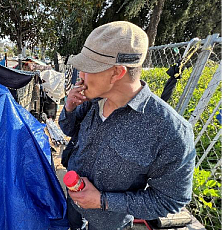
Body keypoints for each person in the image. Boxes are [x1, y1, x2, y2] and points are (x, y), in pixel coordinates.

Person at [58, 21, 196, 230]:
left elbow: (171, 200)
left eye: (87, 69)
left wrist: (102, 201)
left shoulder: (170, 132)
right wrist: (69, 107)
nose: (81, 77)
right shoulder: (93, 100)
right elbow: (69, 129)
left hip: (108, 222)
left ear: (116, 73)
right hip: (73, 203)